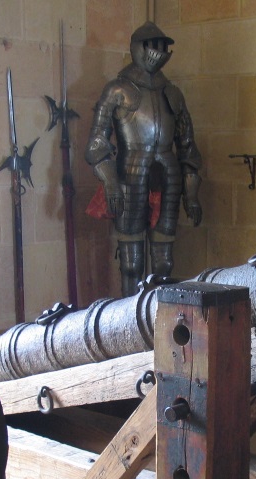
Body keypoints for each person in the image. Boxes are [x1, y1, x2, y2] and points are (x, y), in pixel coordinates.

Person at [85, 21, 203, 296]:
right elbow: (97, 145)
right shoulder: (117, 90)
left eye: (162, 46)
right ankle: (129, 327)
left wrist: (192, 195)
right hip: (129, 175)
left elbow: (187, 148)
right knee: (132, 264)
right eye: (152, 45)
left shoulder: (172, 93)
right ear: (137, 47)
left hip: (168, 178)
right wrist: (111, 182)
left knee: (164, 263)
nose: (158, 52)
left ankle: (157, 324)